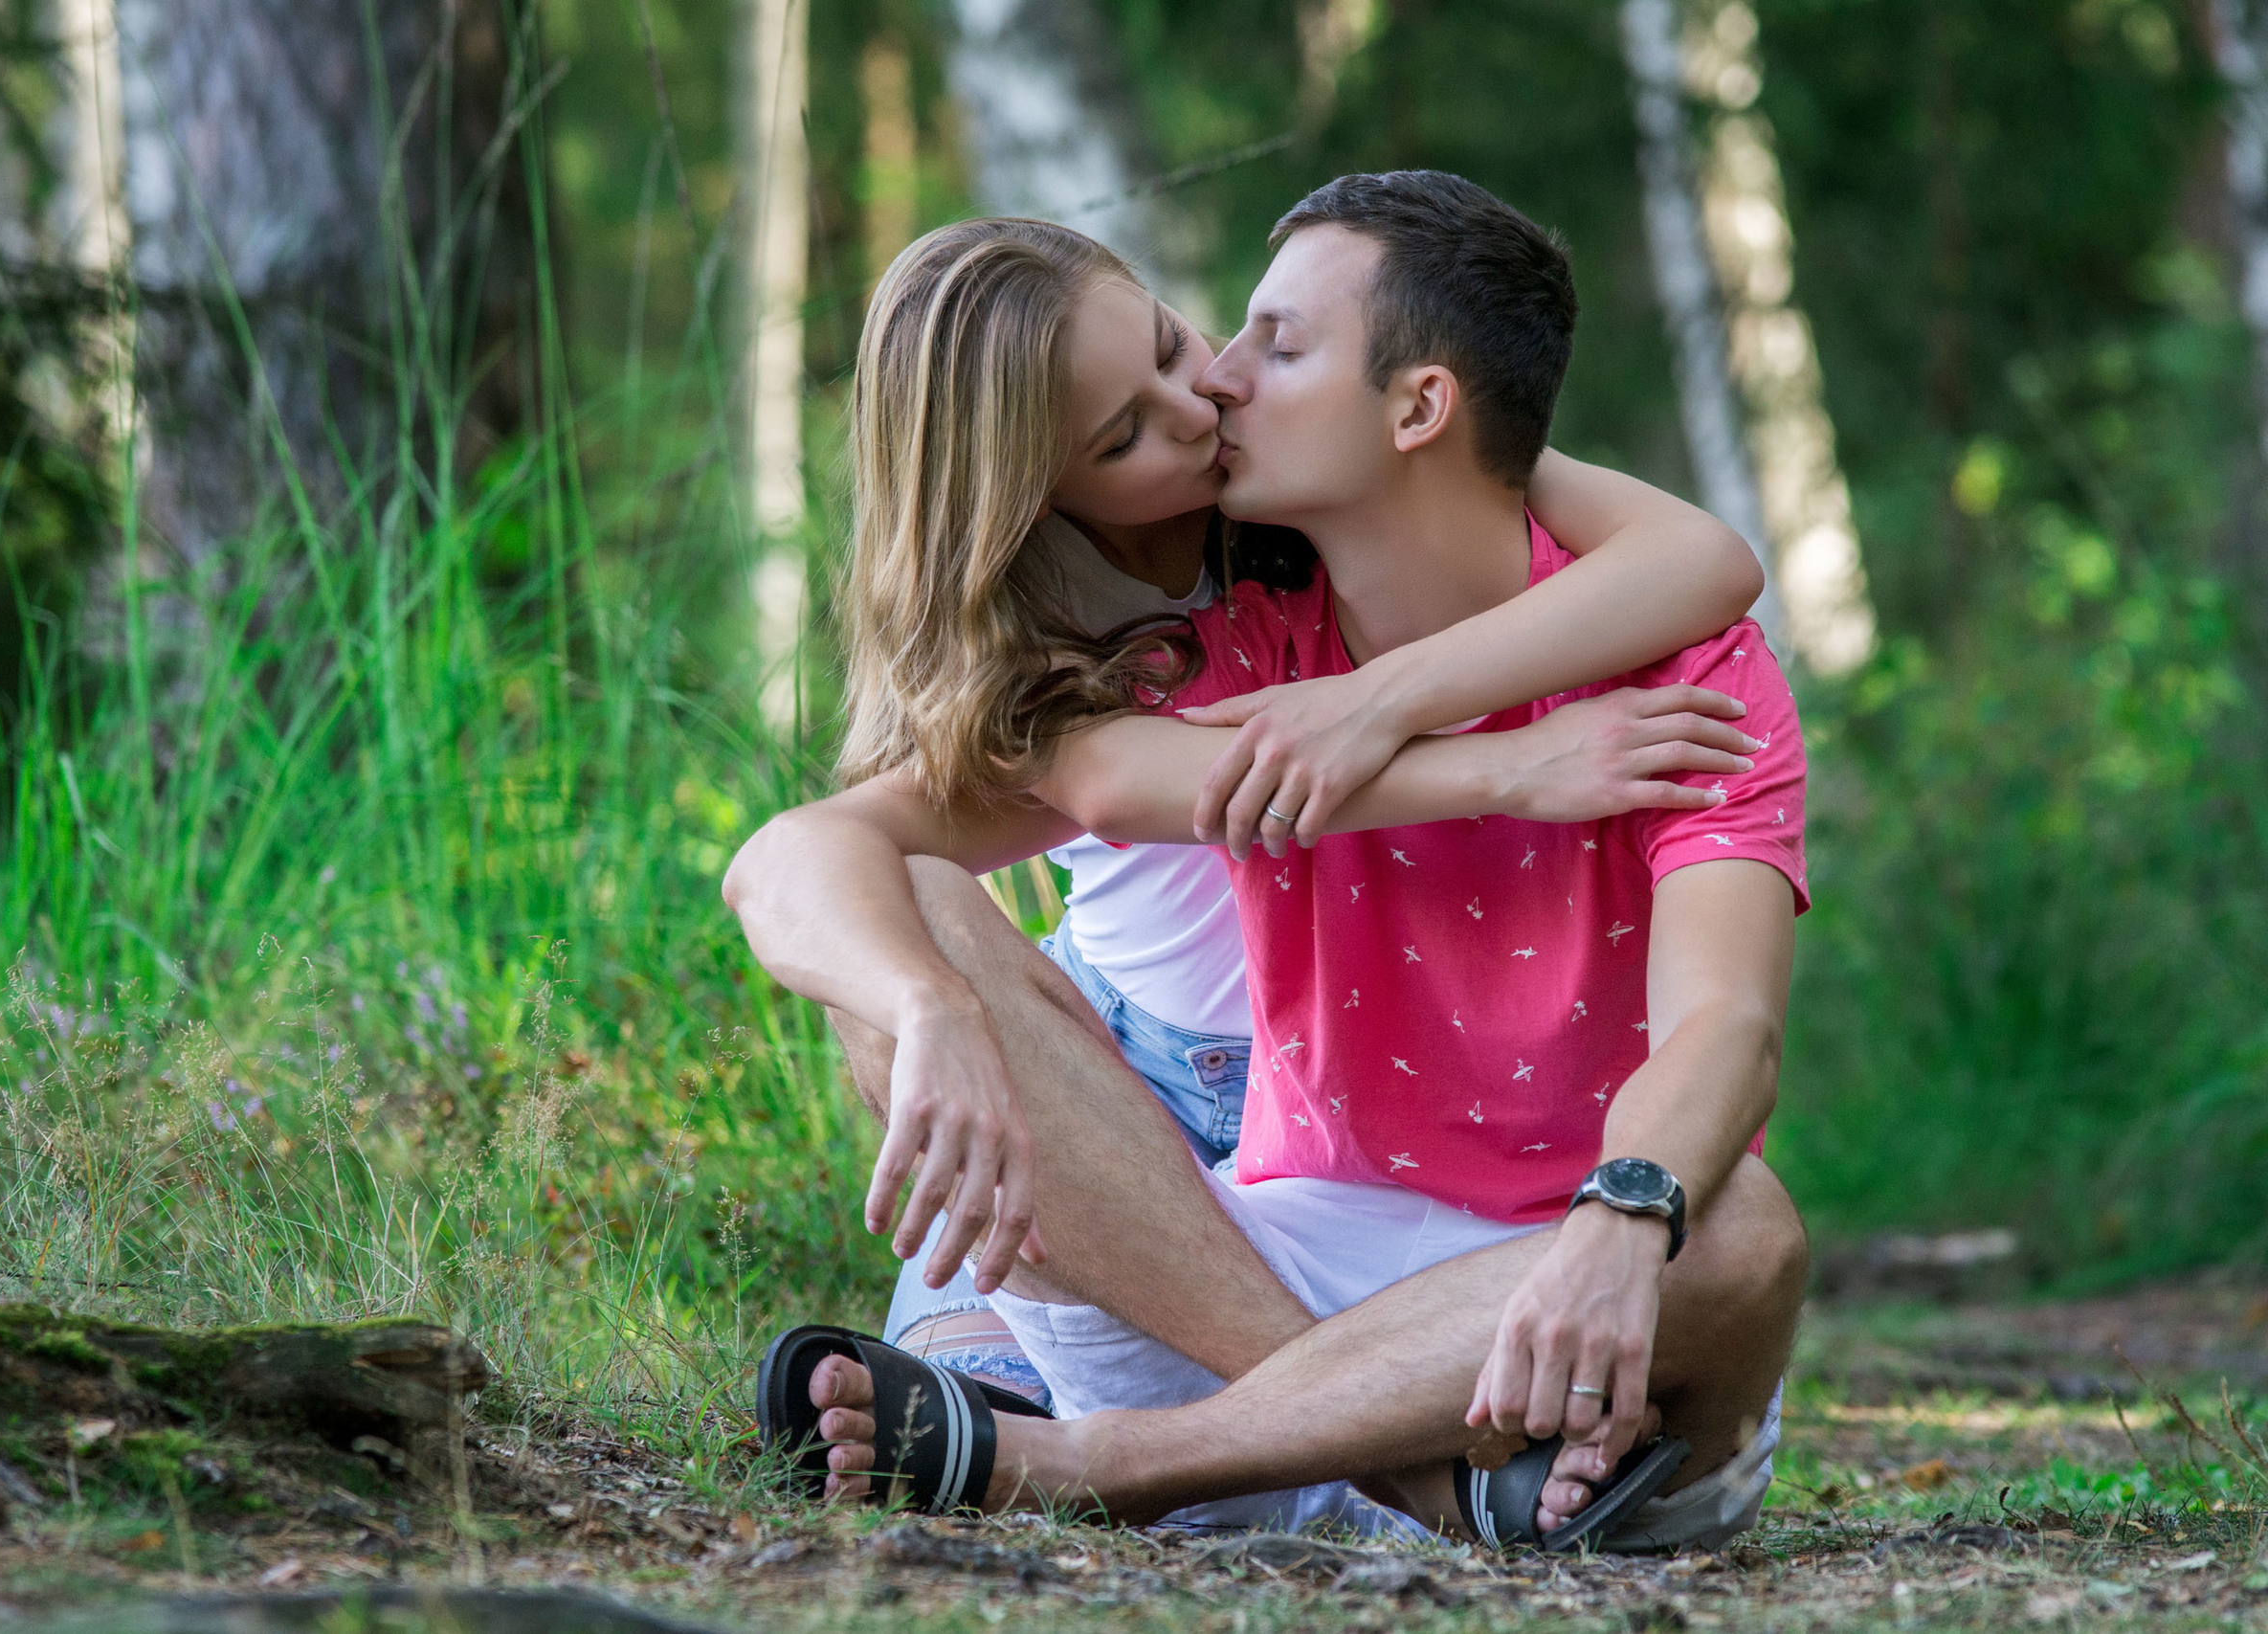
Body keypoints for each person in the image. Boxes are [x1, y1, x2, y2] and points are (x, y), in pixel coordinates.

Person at [739, 172, 1809, 1551]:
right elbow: (807, 856)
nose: (1220, 391)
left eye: (1252, 346)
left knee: (1741, 1228)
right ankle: (1340, 1467)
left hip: (1542, 1319)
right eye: (1141, 420)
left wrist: (1621, 1221)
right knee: (918, 919)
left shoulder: (1676, 665)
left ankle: (1115, 1461)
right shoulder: (1213, 643)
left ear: (1419, 408)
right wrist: (926, 1009)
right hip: (1264, 1263)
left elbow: (1727, 1012)